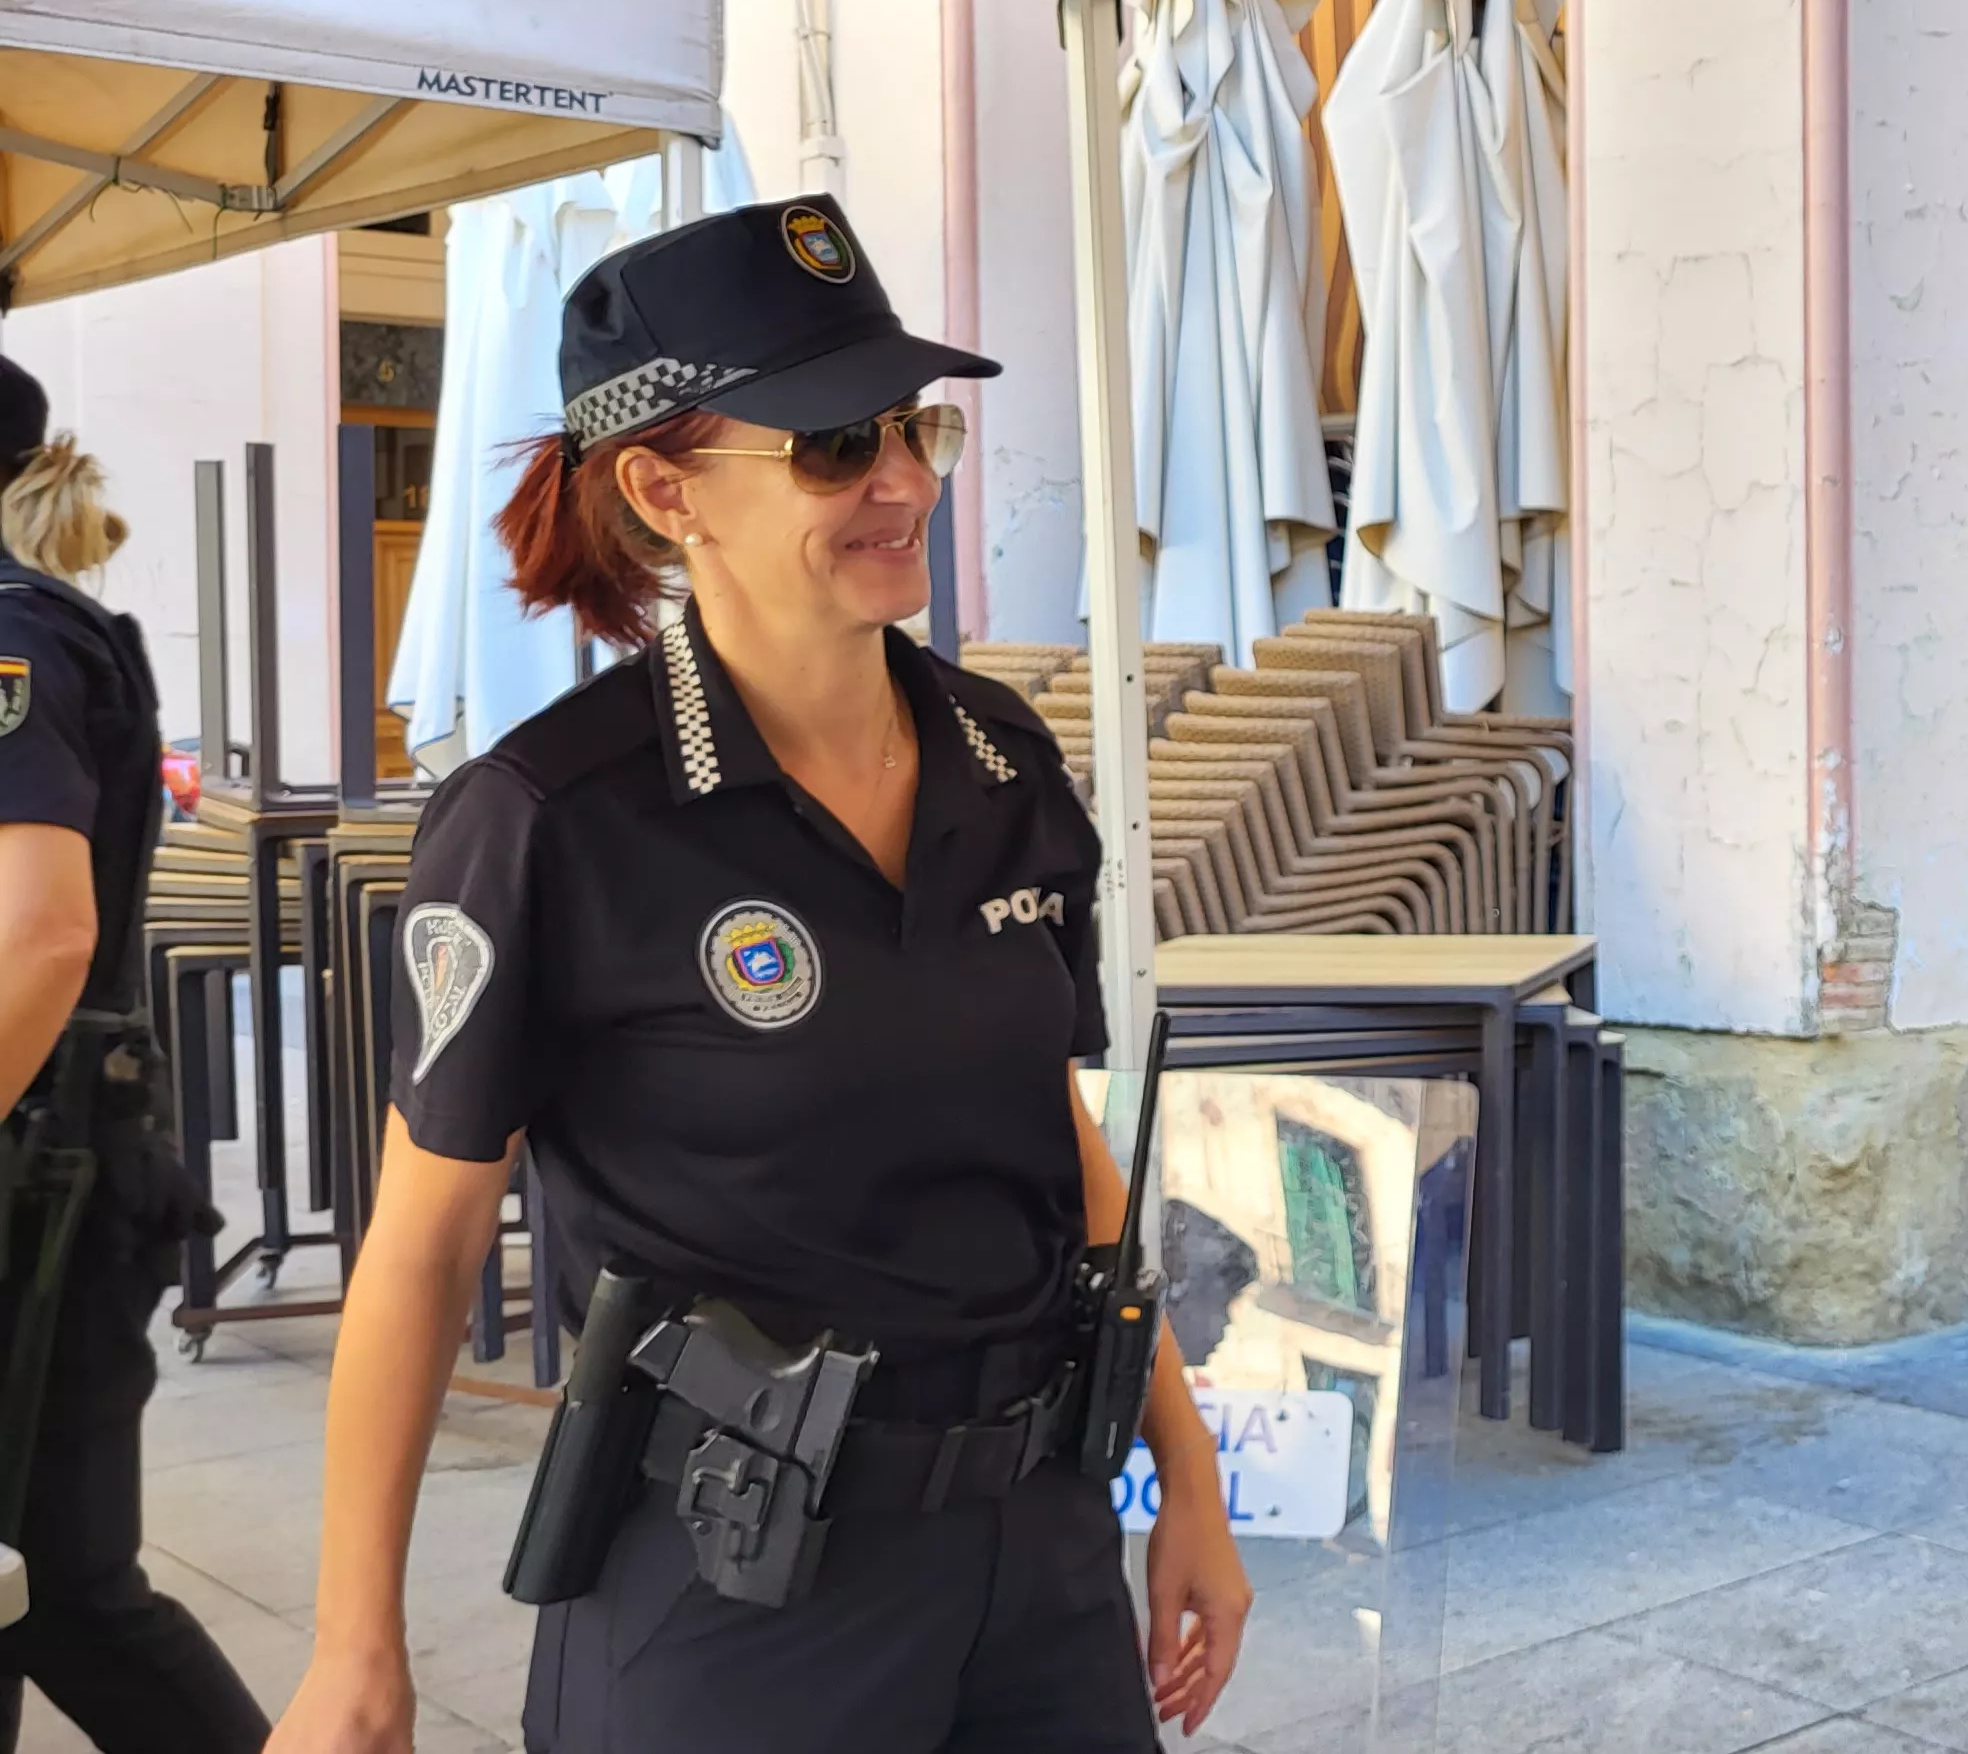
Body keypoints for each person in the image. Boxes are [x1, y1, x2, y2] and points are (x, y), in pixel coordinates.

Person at [262, 197, 1250, 1754]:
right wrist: (351, 1647)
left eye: (915, 427)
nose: (907, 481)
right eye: (833, 445)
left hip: (1039, 1560)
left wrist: (1180, 1473)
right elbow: (422, 1244)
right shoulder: (550, 820)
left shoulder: (1006, 761)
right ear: (666, 492)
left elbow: (1059, 1149)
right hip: (736, 1588)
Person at [0, 353, 265, 1752]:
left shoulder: (9, 637)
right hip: (55, 1157)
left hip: (37, 1176)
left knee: (71, 1595)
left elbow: (40, 936)